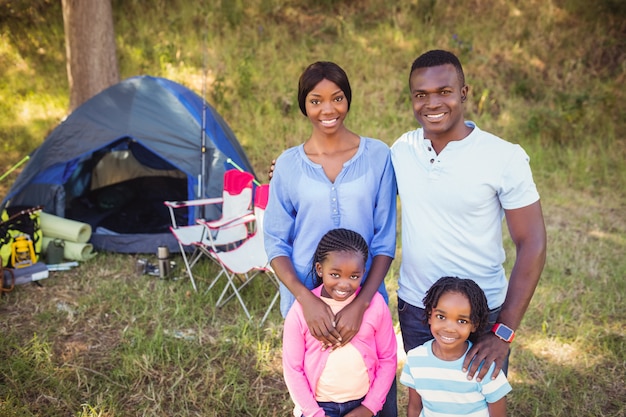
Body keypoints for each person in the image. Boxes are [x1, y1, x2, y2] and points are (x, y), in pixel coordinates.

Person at [391, 49, 547, 382]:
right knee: (431, 400)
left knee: (478, 404)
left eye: (444, 92)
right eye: (421, 95)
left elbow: (532, 242)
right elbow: (355, 183)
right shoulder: (402, 151)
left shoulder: (503, 157)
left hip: (481, 314)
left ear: (464, 93)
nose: (432, 103)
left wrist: (503, 331)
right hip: (418, 310)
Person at [264, 61, 398, 415]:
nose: (328, 109)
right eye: (315, 100)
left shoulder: (378, 156)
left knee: (370, 383)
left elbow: (384, 241)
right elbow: (276, 243)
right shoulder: (289, 165)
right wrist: (305, 300)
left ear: (348, 99)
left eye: (337, 98)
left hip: (365, 297)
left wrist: (361, 304)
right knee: (317, 387)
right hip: (305, 301)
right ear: (303, 105)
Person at [282, 228, 397, 417]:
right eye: (335, 274)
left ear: (363, 272)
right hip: (318, 407)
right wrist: (314, 413)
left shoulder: (376, 305)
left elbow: (388, 358)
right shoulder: (301, 310)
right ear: (320, 269)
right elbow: (293, 368)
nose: (344, 284)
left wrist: (369, 407)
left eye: (354, 276)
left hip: (363, 404)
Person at [400, 276, 511, 417]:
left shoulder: (483, 365)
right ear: (430, 316)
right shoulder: (415, 359)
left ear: (474, 325)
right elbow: (415, 409)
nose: (450, 328)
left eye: (462, 321)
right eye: (441, 317)